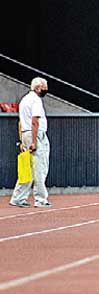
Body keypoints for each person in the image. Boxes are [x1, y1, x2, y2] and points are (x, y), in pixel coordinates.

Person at [9, 78, 52, 208]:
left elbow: (21, 122)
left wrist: (22, 140)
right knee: (40, 167)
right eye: (45, 86)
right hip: (36, 135)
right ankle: (40, 199)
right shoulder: (36, 100)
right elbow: (35, 121)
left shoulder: (24, 100)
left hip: (26, 134)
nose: (46, 89)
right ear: (38, 88)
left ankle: (18, 197)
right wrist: (34, 141)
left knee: (27, 168)